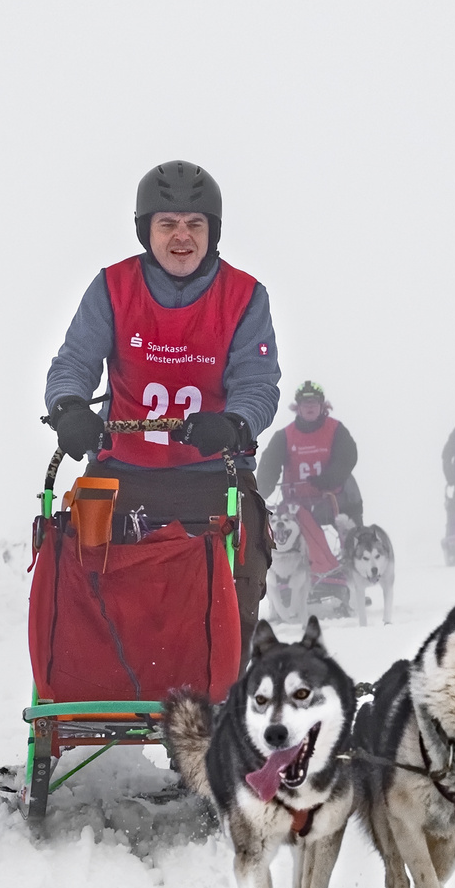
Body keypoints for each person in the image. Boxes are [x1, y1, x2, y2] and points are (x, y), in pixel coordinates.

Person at [43, 160, 280, 663]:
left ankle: (224, 675)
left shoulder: (244, 297)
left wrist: (234, 423)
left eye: (195, 224)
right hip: (122, 472)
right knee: (79, 566)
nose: (181, 236)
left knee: (242, 557)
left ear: (211, 233)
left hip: (213, 473)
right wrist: (68, 408)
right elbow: (75, 362)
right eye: (167, 223)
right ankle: (92, 672)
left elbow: (258, 385)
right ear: (145, 230)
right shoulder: (112, 288)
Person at [256, 381, 364, 527]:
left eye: (314, 402)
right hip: (296, 504)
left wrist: (329, 479)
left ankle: (360, 542)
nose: (310, 407)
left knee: (353, 529)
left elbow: (347, 458)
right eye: (305, 403)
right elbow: (269, 468)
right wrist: (260, 494)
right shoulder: (284, 436)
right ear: (298, 408)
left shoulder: (337, 430)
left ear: (322, 406)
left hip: (334, 500)